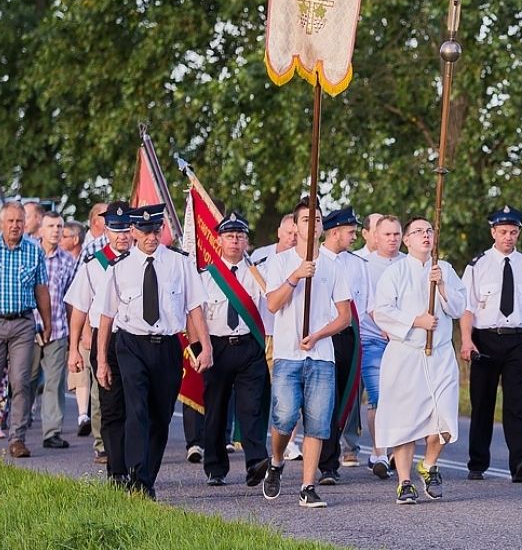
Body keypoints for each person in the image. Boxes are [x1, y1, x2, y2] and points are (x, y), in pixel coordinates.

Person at [94, 204, 211, 498]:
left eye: (156, 231)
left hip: (167, 346)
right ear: (133, 231)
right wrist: (101, 360)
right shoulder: (119, 268)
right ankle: (136, 473)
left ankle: (146, 477)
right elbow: (106, 316)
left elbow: (194, 307)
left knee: (160, 416)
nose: (151, 237)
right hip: (131, 344)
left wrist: (205, 346)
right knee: (136, 409)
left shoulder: (179, 263)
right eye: (145, 232)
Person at [370, 216, 467, 505]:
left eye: (429, 231)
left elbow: (460, 307)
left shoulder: (444, 270)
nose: (426, 235)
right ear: (407, 240)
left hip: (440, 355)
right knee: (405, 422)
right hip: (405, 355)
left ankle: (428, 464)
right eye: (418, 232)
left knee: (445, 419)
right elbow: (381, 311)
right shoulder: (396, 272)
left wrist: (442, 287)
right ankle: (405, 482)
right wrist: (416, 320)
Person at [259, 198, 349, 507]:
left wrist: (319, 334)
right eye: (307, 220)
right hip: (288, 353)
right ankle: (276, 461)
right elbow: (273, 304)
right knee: (284, 418)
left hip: (321, 355)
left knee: (318, 423)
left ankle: (307, 487)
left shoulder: (333, 266)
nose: (313, 225)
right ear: (295, 226)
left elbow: (344, 317)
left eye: (318, 219)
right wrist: (296, 276)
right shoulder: (280, 262)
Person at [459, 205, 522, 482]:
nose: (508, 237)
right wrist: (467, 340)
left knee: (515, 402)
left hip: (517, 340)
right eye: (503, 232)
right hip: (485, 340)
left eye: (513, 232)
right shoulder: (478, 265)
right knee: (482, 402)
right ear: (493, 232)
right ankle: (477, 462)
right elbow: (467, 308)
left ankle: (521, 461)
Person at [0, 202, 52, 456]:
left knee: (20, 381)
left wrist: (47, 323)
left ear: (25, 223)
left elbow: (41, 290)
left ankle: (17, 439)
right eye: (11, 221)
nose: (15, 225)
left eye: (19, 221)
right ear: (1, 223)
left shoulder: (34, 251)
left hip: (22, 324)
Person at [198, 211, 272, 488]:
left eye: (240, 236)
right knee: (216, 410)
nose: (235, 241)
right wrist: (201, 349)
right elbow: (196, 315)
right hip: (216, 347)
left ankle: (255, 463)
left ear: (247, 242)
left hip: (249, 346)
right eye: (229, 236)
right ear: (218, 241)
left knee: (251, 408)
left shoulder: (258, 274)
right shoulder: (206, 276)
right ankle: (215, 467)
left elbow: (272, 303)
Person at [67, 201, 133, 473]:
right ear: (106, 231)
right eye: (116, 229)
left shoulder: (143, 261)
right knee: (110, 404)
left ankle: (136, 462)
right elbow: (79, 307)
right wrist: (74, 348)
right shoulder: (93, 265)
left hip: (137, 339)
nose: (123, 235)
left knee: (138, 405)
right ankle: (116, 468)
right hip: (106, 341)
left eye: (127, 229)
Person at [315, 207, 367, 483]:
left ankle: (329, 458)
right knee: (326, 400)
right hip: (322, 337)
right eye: (351, 232)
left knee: (344, 399)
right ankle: (327, 464)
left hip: (348, 337)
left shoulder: (357, 264)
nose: (354, 237)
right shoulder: (314, 260)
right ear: (334, 233)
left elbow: (365, 304)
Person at [357, 214, 403, 479]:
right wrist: (384, 325)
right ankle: (379, 454)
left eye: (396, 234)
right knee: (377, 396)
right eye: (387, 234)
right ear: (375, 237)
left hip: (403, 342)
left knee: (401, 398)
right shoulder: (363, 265)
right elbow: (365, 303)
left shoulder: (409, 263)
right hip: (372, 339)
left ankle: (399, 451)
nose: (392, 239)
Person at [33, 211, 77, 449]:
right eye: (50, 226)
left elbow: (71, 298)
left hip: (58, 328)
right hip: (30, 329)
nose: (56, 231)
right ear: (41, 230)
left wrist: (73, 334)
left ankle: (51, 432)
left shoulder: (68, 260)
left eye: (59, 226)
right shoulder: (30, 254)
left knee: (54, 381)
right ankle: (20, 424)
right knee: (26, 381)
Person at [60, 222, 92, 436]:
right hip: (67, 322)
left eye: (64, 235)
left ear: (75, 239)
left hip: (87, 320)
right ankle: (83, 414)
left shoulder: (89, 257)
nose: (60, 239)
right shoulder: (63, 261)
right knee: (80, 368)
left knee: (88, 367)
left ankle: (87, 415)